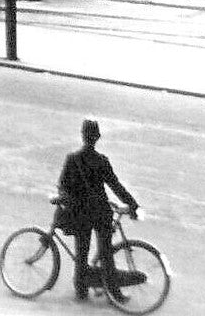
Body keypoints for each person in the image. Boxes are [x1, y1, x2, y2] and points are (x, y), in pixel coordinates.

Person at [57, 119, 139, 303]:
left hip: (81, 212)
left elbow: (63, 185)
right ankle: (115, 293)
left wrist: (65, 198)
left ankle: (81, 290)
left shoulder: (73, 159)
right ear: (97, 137)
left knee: (82, 252)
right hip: (101, 212)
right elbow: (116, 186)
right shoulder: (102, 161)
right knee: (106, 254)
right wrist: (133, 204)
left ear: (82, 135)